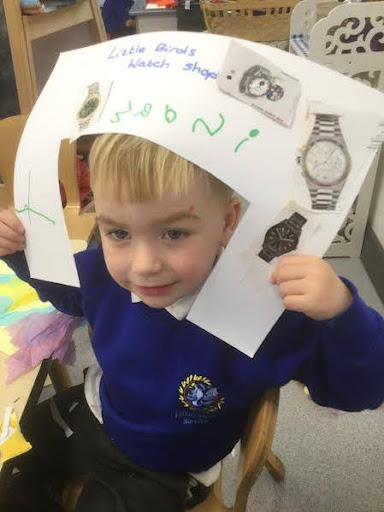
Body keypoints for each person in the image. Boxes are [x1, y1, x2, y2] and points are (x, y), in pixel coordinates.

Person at [0, 133, 383, 512]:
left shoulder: (266, 310)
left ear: (228, 220)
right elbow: (65, 288)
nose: (144, 265)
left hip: (169, 465)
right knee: (23, 452)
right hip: (101, 410)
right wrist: (18, 250)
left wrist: (343, 313)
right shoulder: (101, 271)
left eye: (174, 232)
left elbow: (362, 390)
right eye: (119, 232)